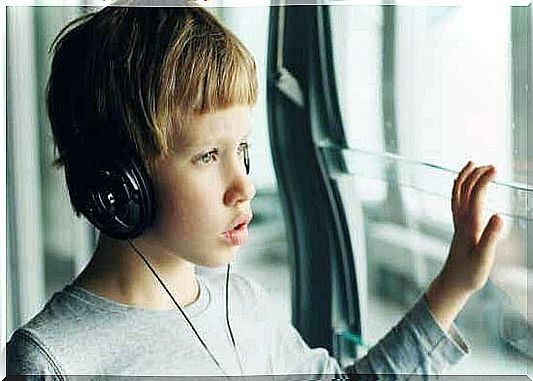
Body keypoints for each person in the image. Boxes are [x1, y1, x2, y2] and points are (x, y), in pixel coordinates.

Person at [6, 3, 504, 379]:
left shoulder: (244, 306)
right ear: (118, 183)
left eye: (241, 147)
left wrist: (454, 284)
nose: (243, 185)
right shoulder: (55, 358)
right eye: (207, 156)